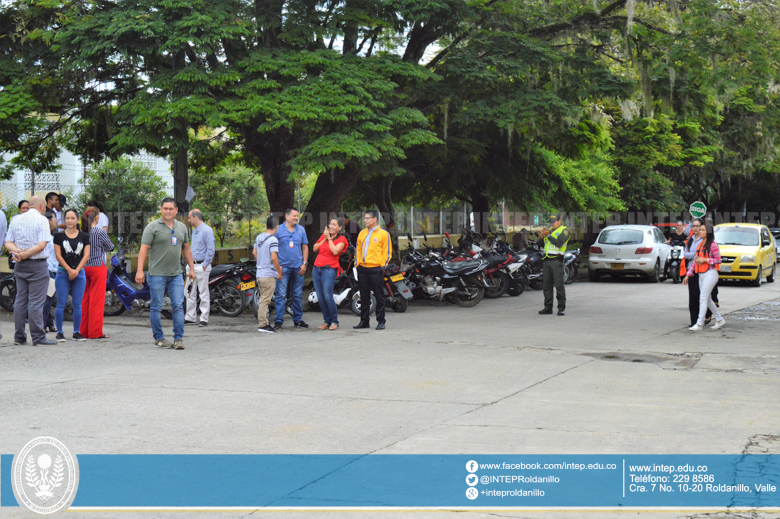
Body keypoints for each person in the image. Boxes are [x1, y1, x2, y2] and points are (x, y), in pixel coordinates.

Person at [136, 198, 196, 349]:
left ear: (176, 210)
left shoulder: (182, 227)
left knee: (178, 305)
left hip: (176, 273)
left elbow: (186, 249)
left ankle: (178, 338)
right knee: (156, 306)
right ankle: (159, 338)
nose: (168, 211)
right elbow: (143, 249)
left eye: (171, 209)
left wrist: (192, 268)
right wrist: (139, 270)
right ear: (161, 210)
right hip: (157, 274)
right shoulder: (152, 227)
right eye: (165, 208)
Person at [4, 196, 57, 346]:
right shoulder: (42, 220)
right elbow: (41, 245)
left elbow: (8, 242)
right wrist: (25, 254)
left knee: (20, 301)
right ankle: (38, 338)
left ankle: (19, 337)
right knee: (36, 302)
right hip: (37, 265)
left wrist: (20, 252)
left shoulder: (16, 219)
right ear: (41, 206)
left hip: (20, 265)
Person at [53, 209, 90, 342]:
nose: (70, 220)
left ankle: (76, 332)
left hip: (79, 273)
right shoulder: (58, 236)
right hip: (63, 272)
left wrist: (76, 270)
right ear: (64, 220)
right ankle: (60, 332)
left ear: (77, 220)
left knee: (77, 304)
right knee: (61, 303)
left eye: (72, 218)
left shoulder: (84, 236)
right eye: (67, 218)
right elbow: (58, 255)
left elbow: (86, 255)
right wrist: (69, 270)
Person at [79, 207, 114, 339]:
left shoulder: (82, 233)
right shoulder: (99, 232)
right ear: (97, 218)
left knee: (85, 299)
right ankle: (95, 332)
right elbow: (110, 247)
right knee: (97, 301)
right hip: (98, 267)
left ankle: (83, 331)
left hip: (84, 267)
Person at [353, 210, 391, 330]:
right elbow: (358, 249)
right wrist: (357, 263)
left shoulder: (383, 234)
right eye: (365, 218)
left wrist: (382, 265)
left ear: (374, 219)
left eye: (367, 218)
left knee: (379, 295)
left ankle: (381, 321)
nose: (365, 220)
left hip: (375, 269)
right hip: (362, 268)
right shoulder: (362, 233)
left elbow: (387, 252)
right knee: (364, 296)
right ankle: (364, 321)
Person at [683, 222, 725, 331]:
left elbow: (719, 260)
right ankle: (719, 319)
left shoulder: (713, 245)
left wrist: (706, 260)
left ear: (708, 232)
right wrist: (688, 275)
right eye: (699, 229)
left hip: (710, 273)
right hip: (701, 274)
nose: (699, 231)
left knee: (703, 297)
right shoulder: (699, 245)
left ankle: (699, 323)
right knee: (708, 299)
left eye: (702, 230)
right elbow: (695, 262)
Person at [273, 208, 309, 330]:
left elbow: (305, 247)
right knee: (281, 294)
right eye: (294, 216)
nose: (296, 218)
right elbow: (273, 248)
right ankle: (278, 320)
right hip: (283, 267)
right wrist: (278, 266)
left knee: (298, 294)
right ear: (287, 216)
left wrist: (304, 263)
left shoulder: (301, 229)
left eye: (297, 216)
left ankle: (298, 320)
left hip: (298, 267)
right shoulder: (278, 230)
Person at [313, 216, 348, 330]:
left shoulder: (342, 239)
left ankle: (334, 321)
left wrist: (329, 239)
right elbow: (315, 248)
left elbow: (335, 251)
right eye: (330, 224)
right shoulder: (324, 236)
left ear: (340, 227)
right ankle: (326, 321)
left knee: (328, 296)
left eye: (334, 225)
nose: (331, 226)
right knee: (320, 296)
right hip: (317, 268)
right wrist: (325, 238)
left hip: (329, 269)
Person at [184, 209, 215, 327]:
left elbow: (210, 249)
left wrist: (204, 265)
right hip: (192, 265)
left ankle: (203, 318)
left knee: (203, 293)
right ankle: (190, 317)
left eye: (189, 218)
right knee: (190, 292)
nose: (188, 220)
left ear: (195, 217)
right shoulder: (194, 231)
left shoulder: (207, 230)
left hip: (201, 265)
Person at [253, 216, 283, 333]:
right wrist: (279, 272)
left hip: (259, 273)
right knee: (265, 300)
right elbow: (274, 258)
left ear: (266, 225)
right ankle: (263, 324)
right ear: (277, 227)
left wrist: (261, 261)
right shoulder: (273, 240)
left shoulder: (259, 237)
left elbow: (254, 252)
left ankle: (263, 323)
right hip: (268, 274)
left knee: (263, 298)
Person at [538, 214, 570, 316]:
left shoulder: (564, 231)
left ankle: (561, 308)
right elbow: (540, 245)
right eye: (551, 222)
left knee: (559, 285)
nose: (552, 224)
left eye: (554, 221)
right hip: (547, 261)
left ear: (559, 221)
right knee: (546, 286)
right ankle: (548, 307)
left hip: (556, 261)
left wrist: (547, 235)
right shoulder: (550, 231)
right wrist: (541, 237)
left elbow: (559, 242)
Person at [41, 211, 59, 333]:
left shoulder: (52, 236)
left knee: (49, 296)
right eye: (55, 218)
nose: (56, 221)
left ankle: (49, 323)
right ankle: (41, 324)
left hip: (54, 268)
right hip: (47, 268)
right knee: (49, 297)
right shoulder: (44, 235)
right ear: (49, 221)